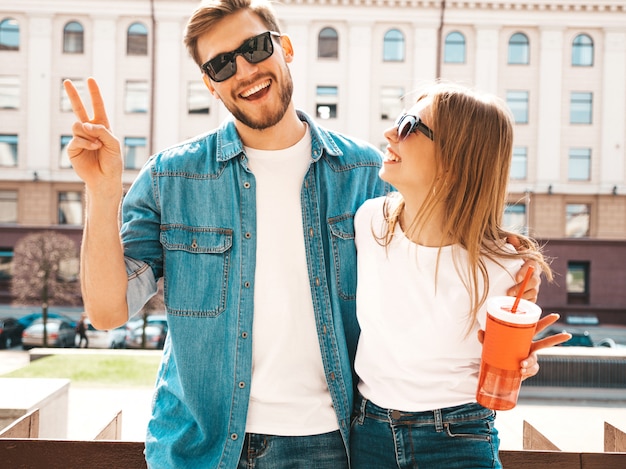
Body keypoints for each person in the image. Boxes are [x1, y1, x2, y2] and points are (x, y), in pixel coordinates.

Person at [63, 1, 546, 467]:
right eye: (221, 65)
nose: (244, 71)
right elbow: (107, 312)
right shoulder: (172, 177)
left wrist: (504, 311)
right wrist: (104, 192)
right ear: (210, 85)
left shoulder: (366, 174)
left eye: (254, 48)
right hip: (199, 450)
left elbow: (446, 230)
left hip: (327, 447)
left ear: (285, 47)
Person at [349, 83, 571, 469]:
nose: (389, 132)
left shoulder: (506, 265)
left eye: (409, 125)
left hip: (458, 435)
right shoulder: (368, 221)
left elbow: (506, 360)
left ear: (455, 161)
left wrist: (521, 364)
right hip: (369, 433)